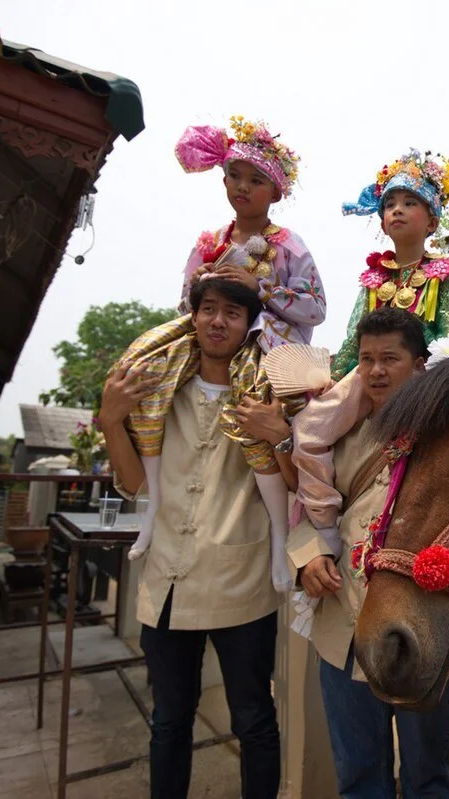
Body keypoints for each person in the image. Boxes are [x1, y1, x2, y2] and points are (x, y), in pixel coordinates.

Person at [102, 278, 295, 798]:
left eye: (232, 313)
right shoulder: (159, 392)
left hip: (241, 581)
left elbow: (295, 482)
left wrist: (281, 434)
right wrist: (108, 420)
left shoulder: (267, 393)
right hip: (167, 581)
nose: (217, 321)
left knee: (253, 718)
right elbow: (137, 483)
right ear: (192, 317)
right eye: (208, 309)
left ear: (247, 324)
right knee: (169, 721)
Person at [124, 117, 325, 596]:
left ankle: (279, 535)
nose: (243, 187)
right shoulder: (208, 242)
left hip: (267, 351)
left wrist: (264, 288)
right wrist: (207, 291)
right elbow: (184, 302)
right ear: (223, 179)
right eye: (235, 175)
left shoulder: (288, 245)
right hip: (209, 344)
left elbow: (316, 308)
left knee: (256, 410)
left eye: (256, 180)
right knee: (139, 370)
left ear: (275, 192)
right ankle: (150, 510)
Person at [286, 307, 449, 798]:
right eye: (366, 359)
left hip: (418, 631)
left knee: (427, 776)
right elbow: (305, 513)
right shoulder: (334, 435)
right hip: (343, 629)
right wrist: (310, 557)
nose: (376, 371)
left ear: (420, 364)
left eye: (390, 359)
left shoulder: (446, 439)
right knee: (358, 775)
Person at [293, 150, 449, 557]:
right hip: (368, 373)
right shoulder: (374, 275)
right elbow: (357, 337)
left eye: (410, 203)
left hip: (423, 376)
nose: (397, 211)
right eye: (389, 204)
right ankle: (322, 523)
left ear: (433, 219)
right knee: (308, 429)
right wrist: (334, 381)